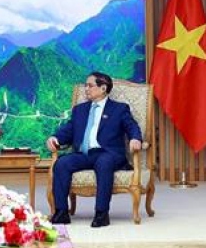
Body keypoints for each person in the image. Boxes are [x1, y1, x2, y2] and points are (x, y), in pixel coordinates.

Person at [47, 71, 142, 228]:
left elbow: (132, 126)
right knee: (62, 163)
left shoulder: (119, 109)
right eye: (85, 85)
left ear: (103, 88)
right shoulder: (80, 110)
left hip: (109, 153)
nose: (86, 89)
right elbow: (69, 129)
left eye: (90, 85)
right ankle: (61, 212)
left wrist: (135, 138)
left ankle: (101, 214)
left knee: (103, 163)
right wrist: (55, 138)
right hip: (84, 154)